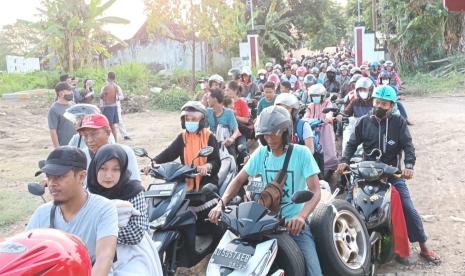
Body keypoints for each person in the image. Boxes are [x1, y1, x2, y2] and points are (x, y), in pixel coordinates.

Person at [208, 105, 323, 276]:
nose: (269, 138)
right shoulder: (261, 153)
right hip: (261, 225)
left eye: (274, 133)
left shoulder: (302, 153)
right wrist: (221, 203)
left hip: (293, 227)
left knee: (314, 272)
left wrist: (301, 217)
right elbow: (239, 180)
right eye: (265, 134)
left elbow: (315, 191)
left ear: (286, 132)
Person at [336, 85, 441, 264]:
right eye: (377, 102)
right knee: (346, 205)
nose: (379, 106)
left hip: (392, 176)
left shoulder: (398, 123)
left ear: (391, 106)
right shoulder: (363, 122)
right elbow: (352, 144)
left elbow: (408, 146)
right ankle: (339, 248)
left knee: (408, 208)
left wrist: (409, 166)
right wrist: (344, 160)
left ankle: (423, 247)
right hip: (366, 174)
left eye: (384, 103)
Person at [27, 146, 118, 276]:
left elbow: (104, 259)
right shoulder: (42, 213)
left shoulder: (103, 209)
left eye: (60, 176)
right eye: (49, 177)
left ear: (81, 177)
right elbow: (24, 253)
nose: (52, 183)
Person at [87, 144, 162, 275]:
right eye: (103, 169)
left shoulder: (133, 191)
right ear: (95, 168)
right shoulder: (88, 192)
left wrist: (103, 233)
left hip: (132, 254)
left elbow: (137, 232)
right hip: (95, 253)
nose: (109, 175)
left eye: (115, 170)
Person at [153, 101, 221, 191]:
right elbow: (169, 153)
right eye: (187, 119)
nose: (189, 122)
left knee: (209, 200)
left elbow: (216, 161)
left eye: (193, 120)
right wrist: (153, 162)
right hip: (186, 180)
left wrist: (207, 166)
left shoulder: (209, 136)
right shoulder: (182, 137)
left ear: (202, 121)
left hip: (206, 181)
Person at [77, 114, 140, 183]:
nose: (89, 140)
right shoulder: (82, 156)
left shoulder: (125, 152)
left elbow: (135, 182)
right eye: (85, 135)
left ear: (107, 132)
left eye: (93, 134)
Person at [304, 84, 339, 177]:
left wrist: (325, 119)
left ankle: (330, 168)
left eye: (317, 96)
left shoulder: (328, 103)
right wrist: (312, 121)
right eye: (313, 96)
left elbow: (329, 115)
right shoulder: (310, 105)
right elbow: (305, 117)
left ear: (323, 95)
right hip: (313, 129)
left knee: (328, 149)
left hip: (325, 128)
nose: (315, 98)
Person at [207, 89, 241, 157]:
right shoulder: (207, 112)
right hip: (212, 145)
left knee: (232, 159)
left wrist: (231, 139)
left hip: (226, 145)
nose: (207, 100)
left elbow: (236, 130)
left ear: (215, 99)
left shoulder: (229, 113)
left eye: (208, 98)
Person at [48, 82, 76, 148]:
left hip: (76, 144)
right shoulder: (54, 109)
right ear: (61, 93)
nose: (71, 92)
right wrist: (57, 148)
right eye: (69, 90)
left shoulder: (73, 105)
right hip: (64, 146)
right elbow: (53, 130)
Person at [225, 81, 252, 146]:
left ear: (235, 90)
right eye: (225, 90)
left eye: (228, 90)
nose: (225, 92)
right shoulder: (224, 103)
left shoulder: (242, 103)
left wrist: (234, 116)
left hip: (240, 132)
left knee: (242, 150)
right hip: (227, 133)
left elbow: (246, 120)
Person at [100, 72, 120, 142]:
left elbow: (101, 96)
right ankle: (115, 141)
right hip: (114, 106)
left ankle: (109, 141)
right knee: (112, 125)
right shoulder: (115, 86)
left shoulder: (107, 86)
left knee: (107, 125)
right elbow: (118, 96)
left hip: (108, 107)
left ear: (108, 77)